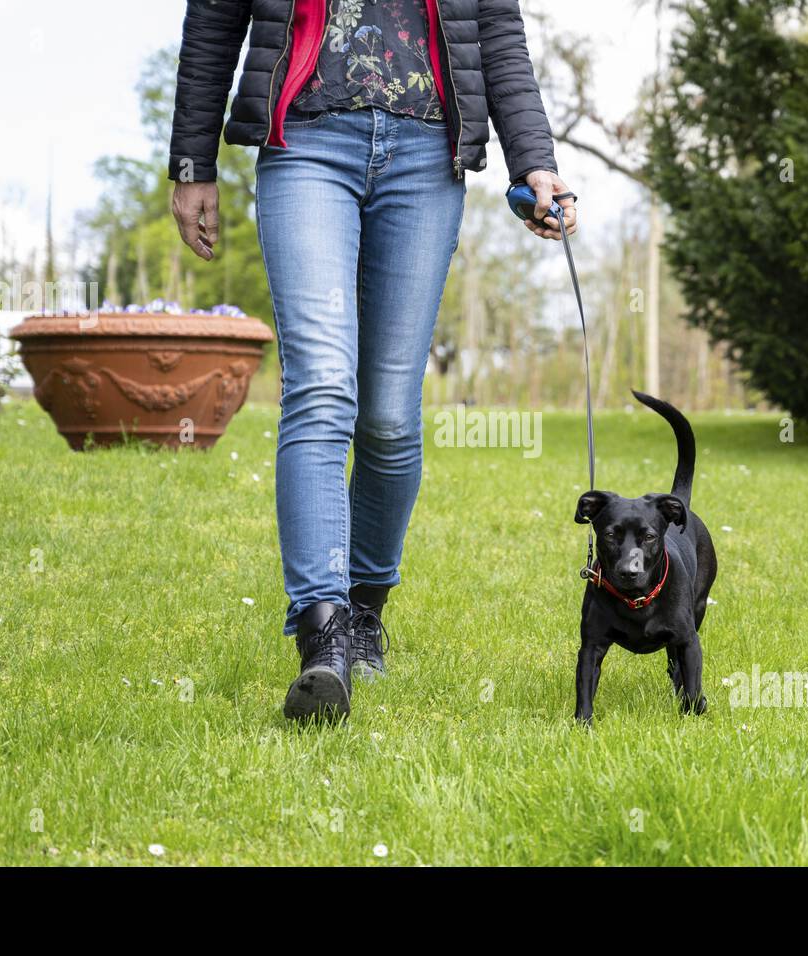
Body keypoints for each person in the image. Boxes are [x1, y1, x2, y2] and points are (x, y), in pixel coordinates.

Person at [169, 0, 577, 722]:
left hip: (426, 153)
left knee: (388, 418)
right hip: (306, 142)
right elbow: (213, 19)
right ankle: (322, 635)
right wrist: (193, 161)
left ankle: (363, 609)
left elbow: (498, 33)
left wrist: (535, 160)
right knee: (322, 386)